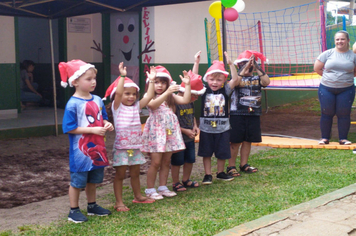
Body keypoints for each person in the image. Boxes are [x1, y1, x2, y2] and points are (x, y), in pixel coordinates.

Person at [60, 59, 114, 223]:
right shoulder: (72, 104)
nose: (93, 82)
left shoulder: (98, 100)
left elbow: (102, 118)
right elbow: (69, 128)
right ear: (75, 82)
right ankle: (73, 210)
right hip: (80, 153)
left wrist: (107, 123)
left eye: (94, 78)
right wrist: (92, 130)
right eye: (88, 79)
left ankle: (92, 206)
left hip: (98, 148)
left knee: (93, 179)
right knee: (77, 181)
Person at [103, 62, 156, 212]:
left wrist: (151, 80)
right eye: (128, 93)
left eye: (134, 94)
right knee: (120, 175)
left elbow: (150, 95)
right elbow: (118, 93)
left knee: (135, 173)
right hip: (122, 148)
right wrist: (122, 76)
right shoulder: (117, 107)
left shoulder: (136, 107)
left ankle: (138, 196)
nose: (131, 96)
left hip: (135, 147)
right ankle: (119, 202)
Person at [141, 66, 191, 199]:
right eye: (156, 82)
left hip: (169, 132)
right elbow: (152, 105)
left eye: (163, 82)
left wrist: (187, 85)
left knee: (166, 161)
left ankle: (162, 187)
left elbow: (185, 100)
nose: (160, 85)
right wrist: (167, 92)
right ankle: (150, 189)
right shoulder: (149, 96)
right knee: (156, 162)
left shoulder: (170, 96)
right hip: (156, 132)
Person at [198, 51, 240, 185]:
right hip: (206, 127)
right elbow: (193, 79)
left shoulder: (225, 90)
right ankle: (207, 174)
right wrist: (196, 62)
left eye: (219, 80)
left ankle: (220, 172)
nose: (215, 82)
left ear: (223, 81)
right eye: (212, 79)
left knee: (222, 151)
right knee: (206, 152)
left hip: (223, 127)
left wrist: (230, 64)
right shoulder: (203, 90)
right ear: (207, 79)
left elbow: (236, 80)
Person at [227, 50, 270, 176]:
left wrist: (256, 66)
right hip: (237, 114)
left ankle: (244, 164)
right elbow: (234, 83)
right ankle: (231, 166)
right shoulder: (236, 78)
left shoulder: (257, 78)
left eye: (248, 63)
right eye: (242, 64)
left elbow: (266, 82)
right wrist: (244, 67)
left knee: (248, 140)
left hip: (253, 114)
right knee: (235, 141)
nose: (246, 66)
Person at [171, 51, 206, 192]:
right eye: (195, 96)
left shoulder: (190, 101)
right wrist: (184, 130)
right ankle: (175, 182)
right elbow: (172, 123)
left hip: (190, 136)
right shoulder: (175, 101)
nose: (196, 99)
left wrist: (195, 126)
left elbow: (192, 79)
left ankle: (186, 179)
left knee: (190, 159)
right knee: (177, 160)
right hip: (178, 137)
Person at [314, 30, 356, 145]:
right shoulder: (327, 53)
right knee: (327, 112)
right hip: (326, 88)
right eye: (337, 39)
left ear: (348, 40)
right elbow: (317, 68)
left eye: (342, 39)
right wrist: (330, 78)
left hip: (346, 89)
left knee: (344, 113)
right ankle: (325, 138)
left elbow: (355, 72)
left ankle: (343, 139)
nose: (340, 41)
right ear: (335, 41)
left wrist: (342, 79)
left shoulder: (353, 56)